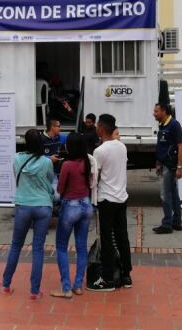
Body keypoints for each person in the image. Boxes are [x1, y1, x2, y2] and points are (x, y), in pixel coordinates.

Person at [0, 129, 54, 300]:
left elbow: (17, 176)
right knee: (38, 249)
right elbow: (50, 180)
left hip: (23, 205)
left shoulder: (17, 159)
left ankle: (5, 284)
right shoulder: (46, 162)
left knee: (16, 246)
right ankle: (35, 291)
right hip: (43, 206)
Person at [88, 114, 132, 292]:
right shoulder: (122, 146)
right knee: (122, 236)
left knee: (106, 239)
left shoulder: (100, 151)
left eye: (97, 125)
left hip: (106, 199)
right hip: (122, 197)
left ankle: (107, 278)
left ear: (101, 128)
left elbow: (94, 177)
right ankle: (126, 275)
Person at [51, 133, 96, 299]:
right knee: (81, 248)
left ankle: (66, 287)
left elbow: (60, 189)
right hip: (86, 205)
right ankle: (78, 285)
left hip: (71, 206)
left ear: (69, 146)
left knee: (62, 247)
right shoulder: (87, 162)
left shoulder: (67, 165)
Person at [152, 103, 182, 234]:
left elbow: (181, 146)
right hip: (164, 164)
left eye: (156, 111)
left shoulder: (174, 125)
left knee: (165, 195)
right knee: (174, 195)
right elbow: (162, 145)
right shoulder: (162, 125)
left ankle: (167, 224)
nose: (154, 113)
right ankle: (176, 222)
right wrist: (158, 162)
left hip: (170, 166)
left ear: (164, 111)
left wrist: (179, 167)